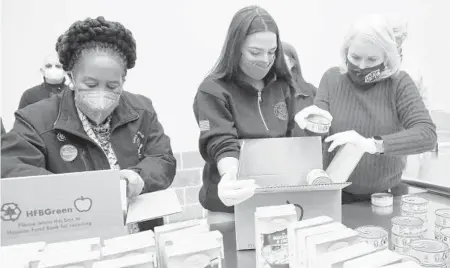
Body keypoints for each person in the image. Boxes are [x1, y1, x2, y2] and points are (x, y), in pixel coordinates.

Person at [1, 16, 177, 231]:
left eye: (112, 86)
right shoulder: (35, 120)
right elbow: (11, 170)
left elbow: (163, 159)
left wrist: (138, 177)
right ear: (71, 78)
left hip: (138, 234)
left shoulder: (141, 110)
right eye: (91, 84)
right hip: (75, 236)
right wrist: (89, 190)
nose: (101, 94)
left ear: (124, 80)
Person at [193, 6, 331, 213]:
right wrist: (229, 175)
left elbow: (288, 140)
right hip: (229, 203)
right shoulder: (213, 90)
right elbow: (221, 141)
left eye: (272, 52)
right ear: (235, 47)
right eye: (255, 52)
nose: (265, 60)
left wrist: (310, 124)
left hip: (273, 197)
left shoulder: (282, 85)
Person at [314, 15, 437, 204]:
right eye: (355, 57)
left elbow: (427, 135)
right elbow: (317, 135)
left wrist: (372, 145)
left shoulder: (399, 84)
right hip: (335, 196)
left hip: (384, 197)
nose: (361, 66)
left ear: (386, 58)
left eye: (371, 59)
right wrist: (311, 122)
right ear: (346, 51)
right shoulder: (332, 79)